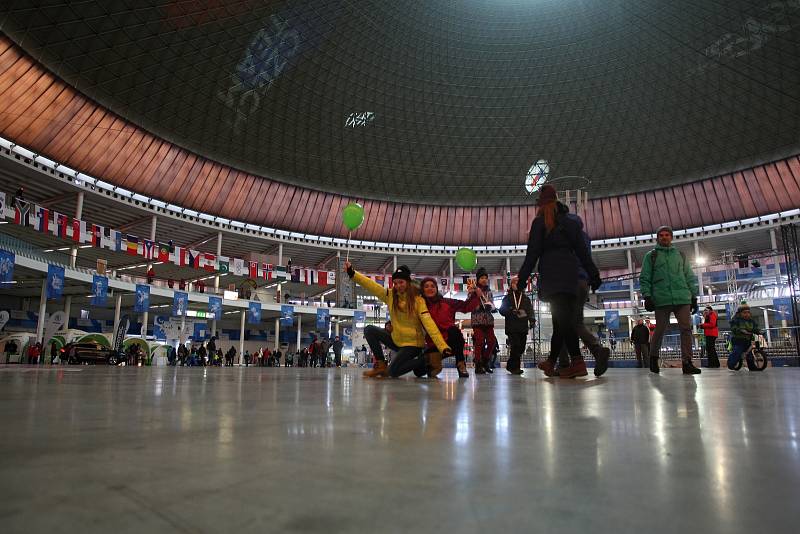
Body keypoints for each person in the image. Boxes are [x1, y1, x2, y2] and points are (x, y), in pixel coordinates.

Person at [516, 185, 602, 378]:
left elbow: (532, 255)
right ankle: (552, 361)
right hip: (571, 275)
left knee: (564, 321)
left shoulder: (540, 223)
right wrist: (593, 274)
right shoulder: (571, 222)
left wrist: (522, 280)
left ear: (542, 204)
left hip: (554, 277)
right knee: (561, 321)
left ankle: (577, 362)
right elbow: (582, 250)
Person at [345, 262, 451, 378]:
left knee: (392, 372)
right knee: (369, 329)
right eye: (395, 283)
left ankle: (429, 358)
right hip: (396, 340)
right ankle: (380, 365)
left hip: (413, 345)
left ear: (408, 282)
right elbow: (372, 286)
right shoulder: (390, 295)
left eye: (401, 282)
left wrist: (443, 346)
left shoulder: (418, 300)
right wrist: (353, 273)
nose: (398, 285)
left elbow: (429, 324)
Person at [640, 225, 701, 375]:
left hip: (682, 297)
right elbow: (645, 277)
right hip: (661, 298)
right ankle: (653, 357)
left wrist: (693, 296)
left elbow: (689, 276)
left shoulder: (680, 255)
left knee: (686, 329)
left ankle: (687, 362)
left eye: (667, 235)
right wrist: (647, 296)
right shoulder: (651, 256)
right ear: (657, 238)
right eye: (661, 235)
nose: (665, 237)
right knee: (660, 329)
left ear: (671, 237)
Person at [419, 277, 479, 378]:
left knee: (454, 331)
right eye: (426, 286)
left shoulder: (447, 302)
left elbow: (465, 307)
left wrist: (474, 296)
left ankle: (461, 364)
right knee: (419, 371)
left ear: (436, 289)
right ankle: (434, 362)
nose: (430, 288)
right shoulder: (419, 305)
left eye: (432, 286)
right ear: (422, 289)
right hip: (433, 343)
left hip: (449, 340)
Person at [499, 277, 534, 375]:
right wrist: (510, 310)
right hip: (512, 326)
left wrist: (532, 320)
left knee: (521, 347)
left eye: (519, 282)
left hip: (523, 327)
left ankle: (511, 365)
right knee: (515, 346)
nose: (517, 284)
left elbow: (530, 311)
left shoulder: (526, 298)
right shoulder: (507, 298)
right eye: (515, 282)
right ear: (511, 284)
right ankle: (515, 368)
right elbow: (501, 310)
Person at [471, 267, 497, 375]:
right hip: (477, 321)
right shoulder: (473, 291)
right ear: (477, 279)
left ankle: (485, 361)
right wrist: (478, 306)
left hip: (488, 321)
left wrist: (492, 308)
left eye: (486, 278)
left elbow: (491, 303)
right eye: (482, 277)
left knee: (492, 341)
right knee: (479, 342)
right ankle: (478, 364)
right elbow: (470, 305)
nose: (484, 279)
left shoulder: (489, 292)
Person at [728, 304, 762, 370]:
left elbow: (755, 328)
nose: (747, 314)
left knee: (750, 354)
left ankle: (752, 367)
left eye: (748, 312)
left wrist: (758, 331)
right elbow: (734, 328)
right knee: (737, 351)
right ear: (740, 313)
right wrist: (740, 330)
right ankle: (731, 363)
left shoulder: (751, 321)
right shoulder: (736, 320)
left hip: (748, 339)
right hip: (738, 340)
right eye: (744, 313)